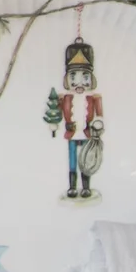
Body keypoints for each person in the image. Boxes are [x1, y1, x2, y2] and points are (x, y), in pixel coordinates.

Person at [44, 35, 103, 199]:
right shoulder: (65, 98)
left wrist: (97, 125)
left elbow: (100, 116)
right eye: (73, 77)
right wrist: (54, 125)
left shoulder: (94, 98)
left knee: (85, 161)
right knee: (72, 162)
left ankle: (86, 187)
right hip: (71, 134)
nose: (79, 83)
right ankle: (72, 187)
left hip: (87, 134)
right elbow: (56, 113)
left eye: (85, 77)